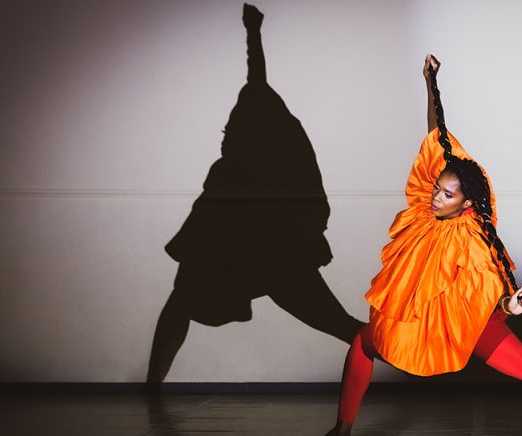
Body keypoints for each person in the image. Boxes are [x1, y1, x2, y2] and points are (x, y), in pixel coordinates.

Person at [311, 55, 522, 436]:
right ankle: (342, 432)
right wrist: (431, 84)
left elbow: (491, 280)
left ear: (466, 203)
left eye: (447, 194)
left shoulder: (472, 234)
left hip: (467, 323)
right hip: (437, 319)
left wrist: (508, 304)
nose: (436, 197)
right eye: (437, 189)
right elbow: (437, 135)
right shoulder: (425, 212)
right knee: (363, 342)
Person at [144, 4, 362, 391]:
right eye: (227, 128)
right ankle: (152, 386)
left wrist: (253, 34)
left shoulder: (247, 171)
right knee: (180, 303)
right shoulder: (234, 173)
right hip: (254, 257)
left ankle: (418, 359)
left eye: (232, 128)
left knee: (339, 324)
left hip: (272, 258)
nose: (225, 133)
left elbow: (256, 80)